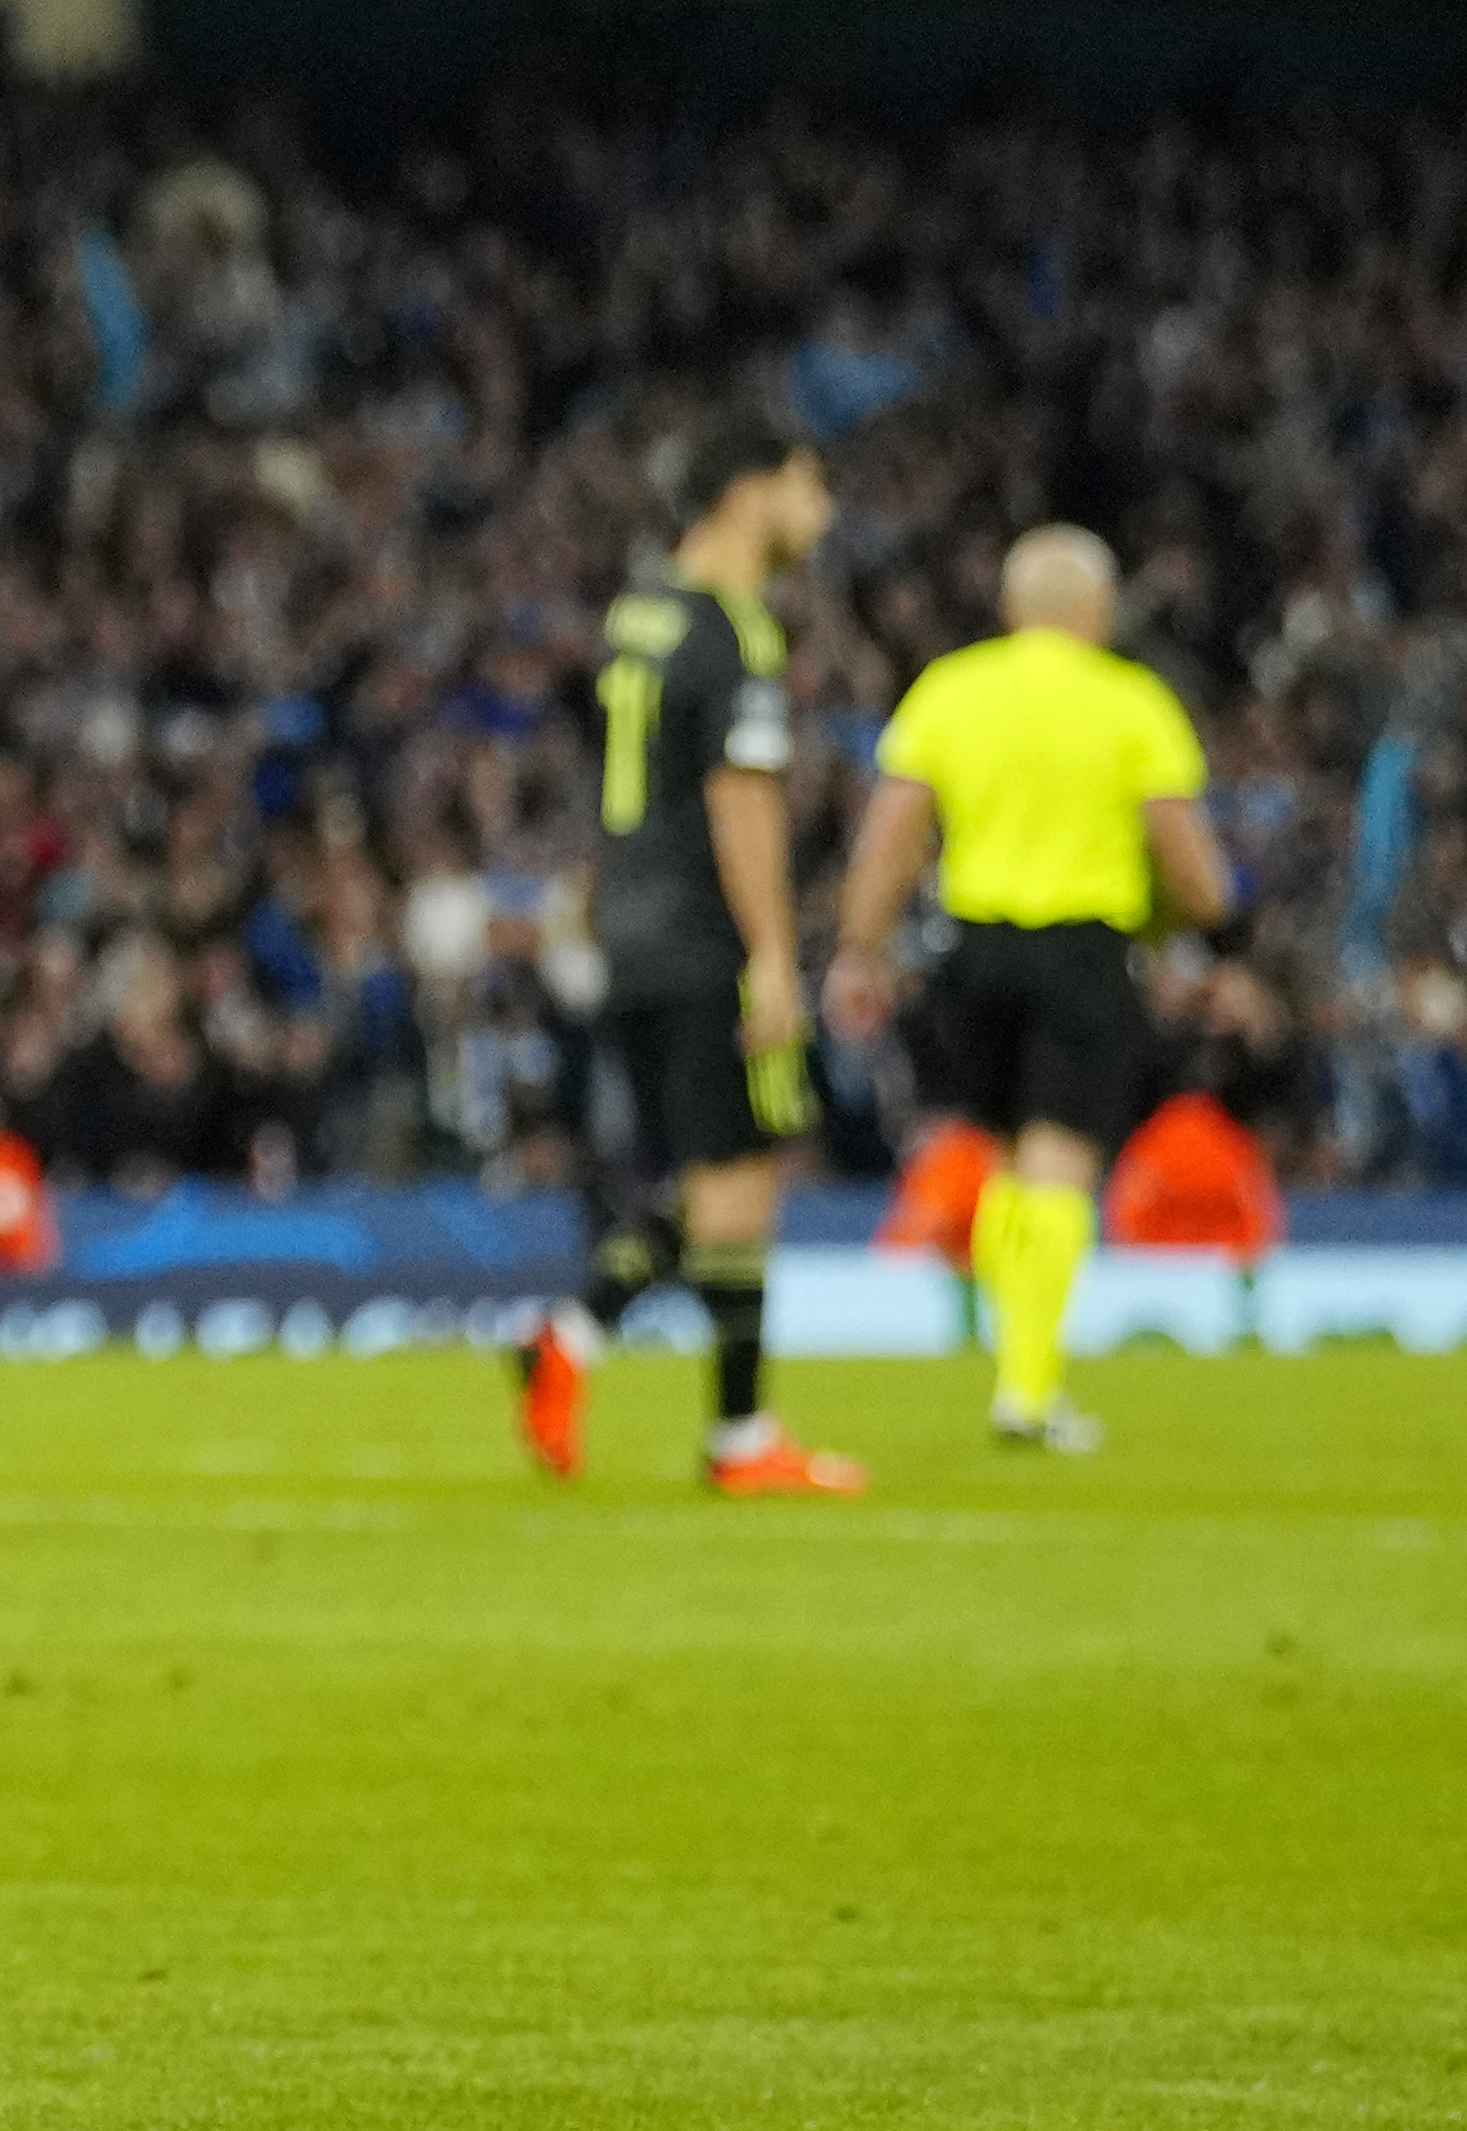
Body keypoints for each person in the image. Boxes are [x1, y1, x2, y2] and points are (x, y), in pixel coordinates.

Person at [523, 417, 865, 1498]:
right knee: (740, 1180)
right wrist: (771, 952)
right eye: (809, 485)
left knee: (717, 1177)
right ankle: (738, 1434)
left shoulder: (638, 613)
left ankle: (574, 1336)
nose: (823, 511)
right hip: (703, 929)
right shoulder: (733, 631)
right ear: (746, 492)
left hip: (629, 924)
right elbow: (740, 800)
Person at [836, 527, 1223, 1456]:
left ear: (1011, 608)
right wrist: (1176, 922)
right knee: (1057, 1165)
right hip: (1082, 952)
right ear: (1097, 609)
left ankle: (1015, 1356)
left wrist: (859, 950)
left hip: (974, 952)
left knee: (1008, 1157)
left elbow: (892, 829)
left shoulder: (951, 690)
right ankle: (1027, 1386)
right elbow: (1190, 867)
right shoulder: (1130, 703)